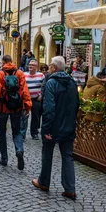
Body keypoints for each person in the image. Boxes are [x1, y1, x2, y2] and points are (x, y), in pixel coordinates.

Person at [32, 56, 79, 200]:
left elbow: (49, 107)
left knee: (47, 153)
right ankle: (70, 189)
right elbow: (76, 104)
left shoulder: (51, 82)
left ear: (53, 67)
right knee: (67, 156)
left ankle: (44, 182)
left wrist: (45, 128)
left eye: (50, 66)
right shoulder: (72, 82)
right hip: (68, 125)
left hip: (54, 125)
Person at [0, 54, 32, 169]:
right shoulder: (19, 74)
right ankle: (19, 150)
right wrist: (28, 106)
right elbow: (25, 91)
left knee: (2, 133)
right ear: (12, 61)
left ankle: (4, 159)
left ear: (3, 62)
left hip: (2, 108)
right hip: (16, 108)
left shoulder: (0, 74)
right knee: (16, 132)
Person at [21, 59, 45, 139]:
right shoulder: (24, 75)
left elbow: (44, 86)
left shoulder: (41, 75)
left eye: (32, 65)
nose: (30, 66)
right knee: (24, 117)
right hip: (26, 100)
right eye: (29, 65)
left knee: (36, 117)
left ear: (36, 67)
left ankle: (34, 133)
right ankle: (22, 134)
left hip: (36, 99)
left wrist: (41, 95)